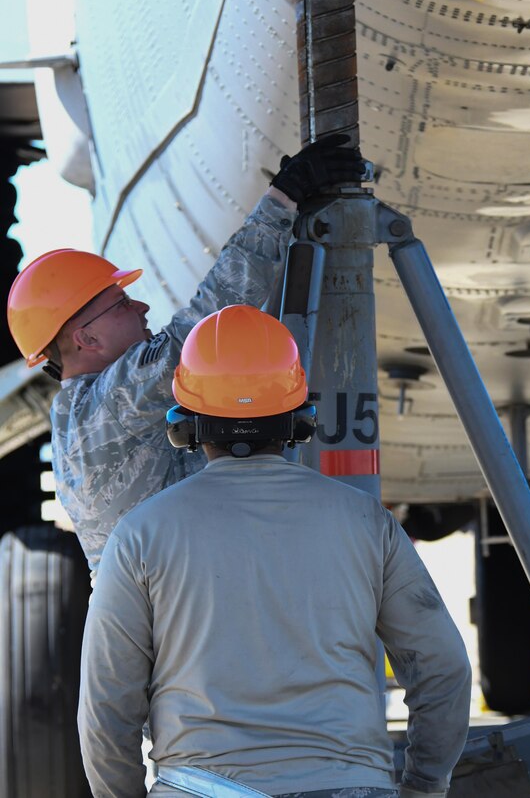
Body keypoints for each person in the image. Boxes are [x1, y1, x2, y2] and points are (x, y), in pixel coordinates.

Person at [78, 304, 472, 798]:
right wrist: (423, 785)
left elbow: (106, 704)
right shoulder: (367, 522)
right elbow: (443, 668)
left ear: (185, 420)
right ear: (298, 415)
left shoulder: (139, 534)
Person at [7, 135, 365, 574]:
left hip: (163, 616)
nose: (141, 307)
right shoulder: (114, 403)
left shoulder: (83, 416)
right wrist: (283, 198)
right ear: (86, 339)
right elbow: (207, 323)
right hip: (177, 616)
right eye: (120, 304)